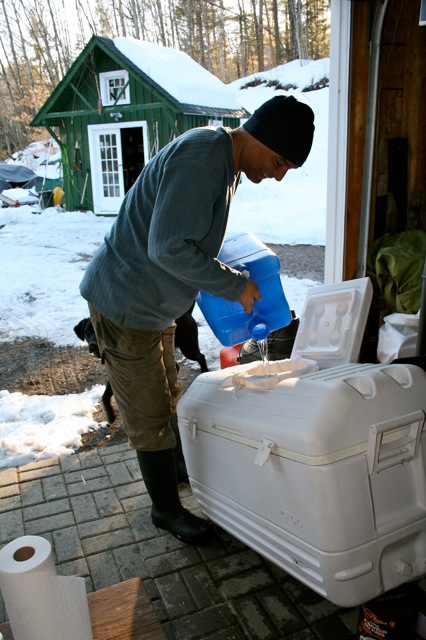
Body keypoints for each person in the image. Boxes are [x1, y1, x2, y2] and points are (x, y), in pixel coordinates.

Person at [80, 95, 315, 545]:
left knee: (167, 389)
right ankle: (165, 511)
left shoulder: (224, 160)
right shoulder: (204, 156)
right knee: (148, 409)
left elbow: (186, 233)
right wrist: (232, 284)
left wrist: (201, 291)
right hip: (127, 303)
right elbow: (167, 247)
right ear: (260, 135)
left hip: (154, 305)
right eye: (279, 160)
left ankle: (174, 470)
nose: (278, 174)